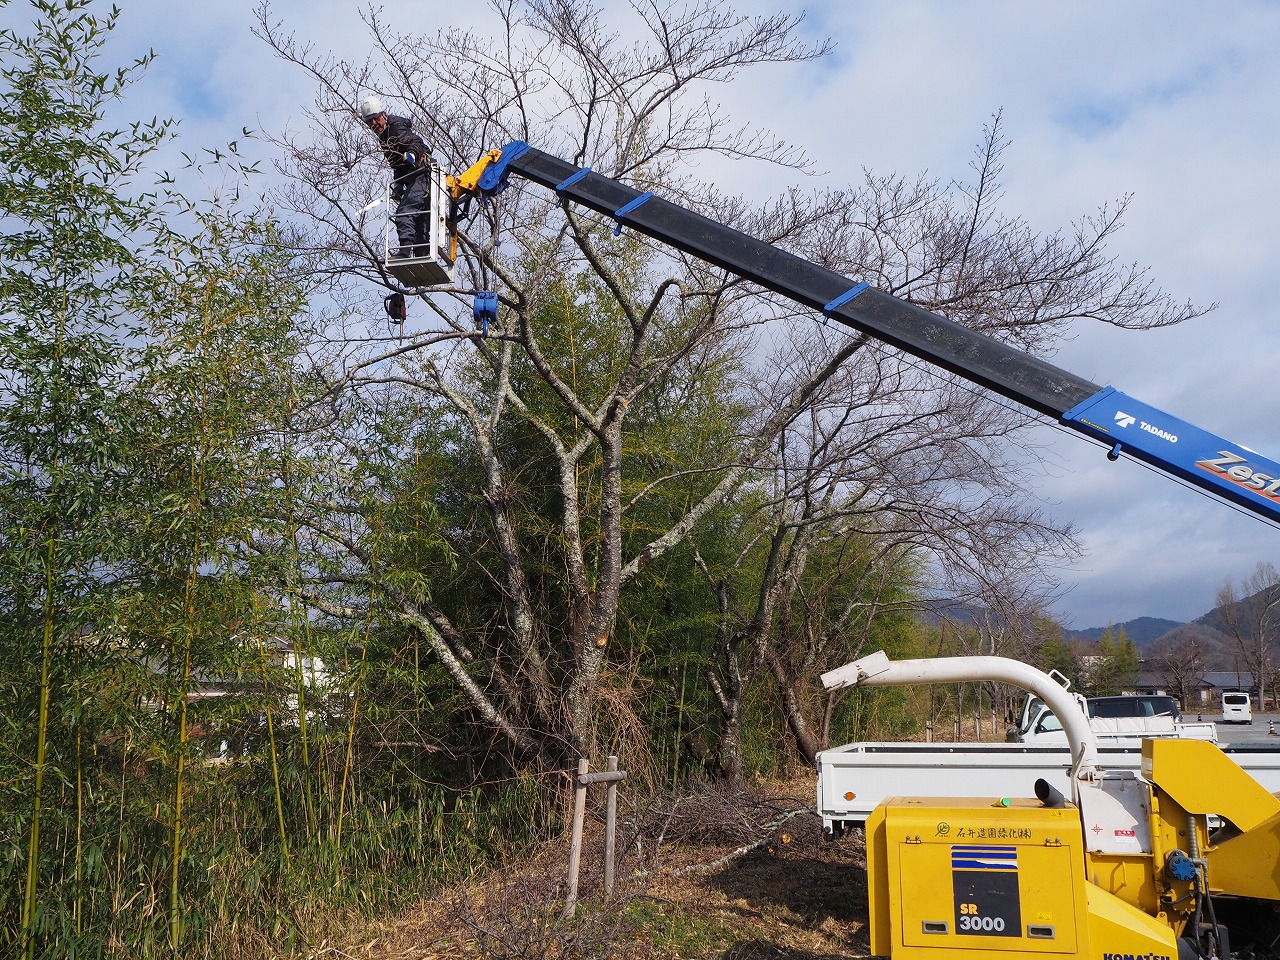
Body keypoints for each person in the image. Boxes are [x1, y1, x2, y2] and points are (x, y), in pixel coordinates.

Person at [359, 95, 430, 259]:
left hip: (421, 174)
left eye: (376, 119)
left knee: (405, 212)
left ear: (384, 114)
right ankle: (421, 256)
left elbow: (416, 142)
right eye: (369, 121)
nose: (374, 124)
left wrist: (412, 153)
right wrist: (398, 184)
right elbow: (397, 164)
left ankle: (405, 253)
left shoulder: (396, 127)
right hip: (413, 177)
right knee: (419, 217)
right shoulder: (384, 137)